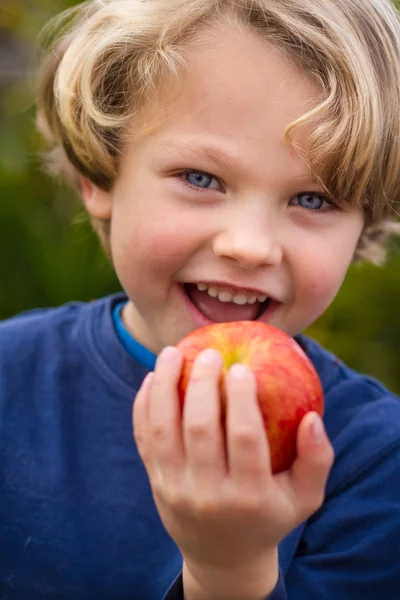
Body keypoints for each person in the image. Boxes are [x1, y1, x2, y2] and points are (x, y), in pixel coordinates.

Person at [1, 0, 400, 598]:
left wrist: (230, 570)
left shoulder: (376, 461)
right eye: (202, 179)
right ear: (100, 177)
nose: (250, 247)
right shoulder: (9, 379)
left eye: (313, 200)